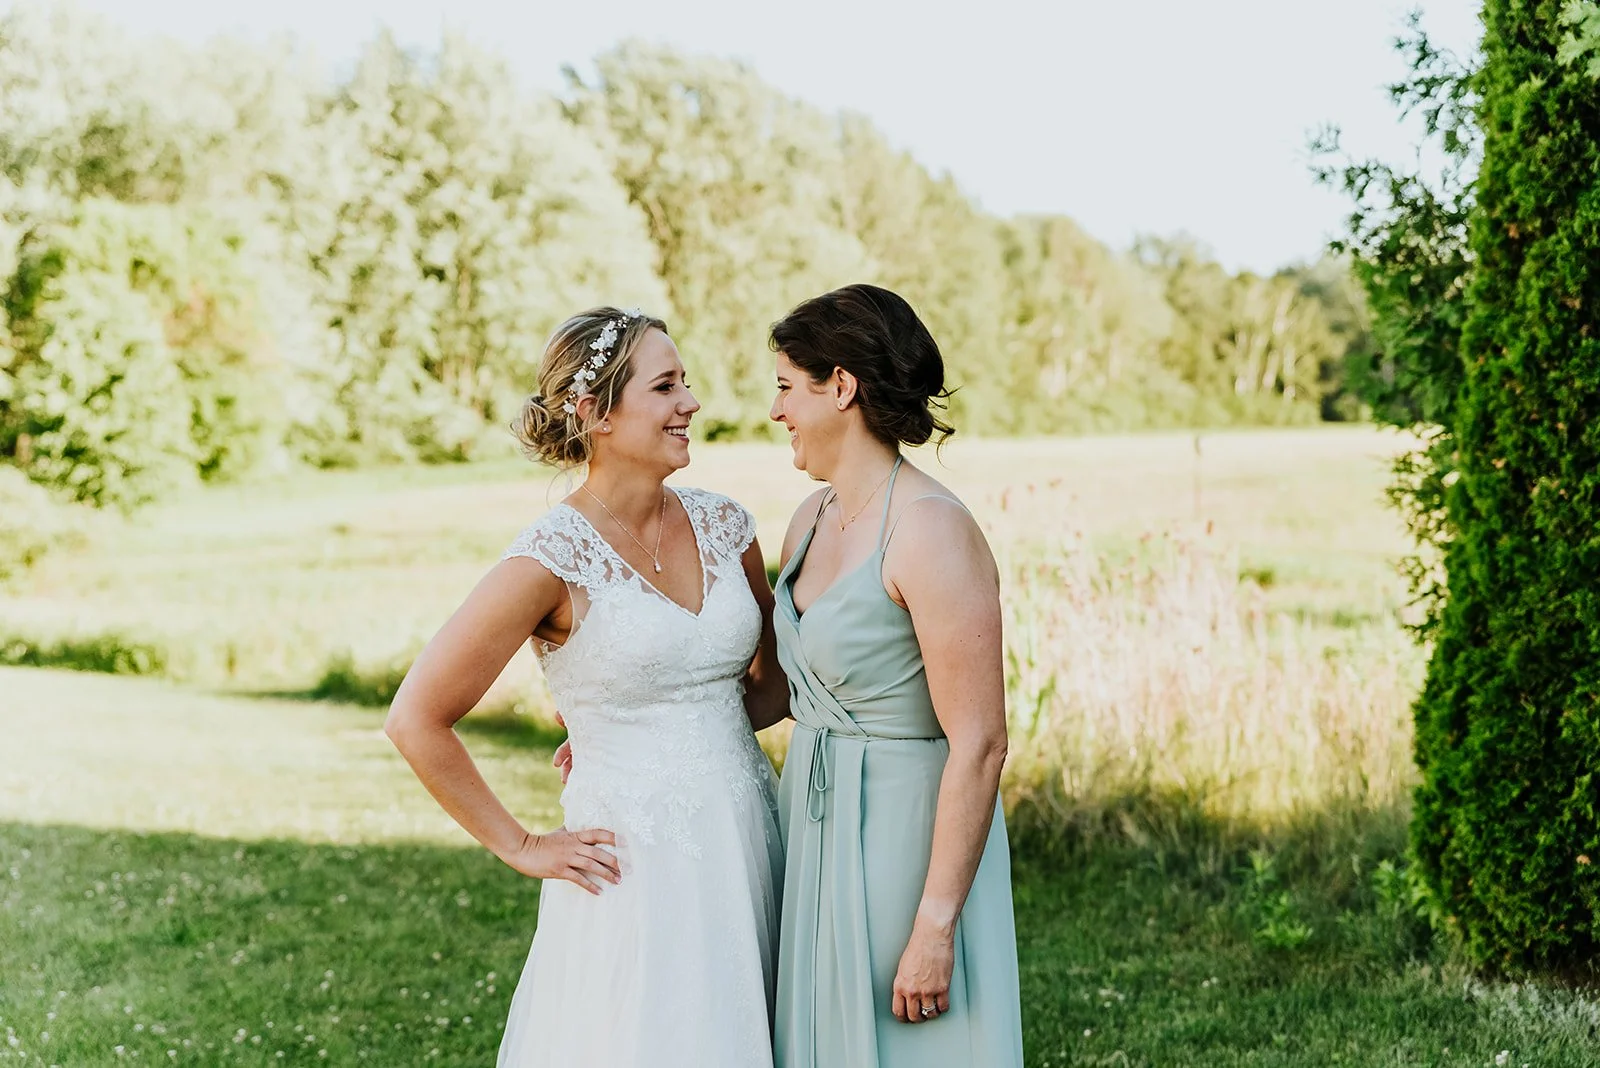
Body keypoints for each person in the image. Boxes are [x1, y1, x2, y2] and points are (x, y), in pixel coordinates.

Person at [384, 307, 788, 1068]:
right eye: (665, 387)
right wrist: (522, 845)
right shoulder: (551, 558)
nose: (691, 402)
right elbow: (417, 718)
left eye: (685, 382)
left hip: (750, 838)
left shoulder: (728, 527)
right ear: (596, 412)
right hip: (630, 864)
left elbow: (772, 687)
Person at [766, 284, 1024, 1066]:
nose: (776, 411)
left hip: (903, 837)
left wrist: (936, 925)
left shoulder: (930, 530)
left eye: (786, 387)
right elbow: (780, 692)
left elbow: (981, 743)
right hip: (812, 822)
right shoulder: (809, 520)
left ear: (841, 386)